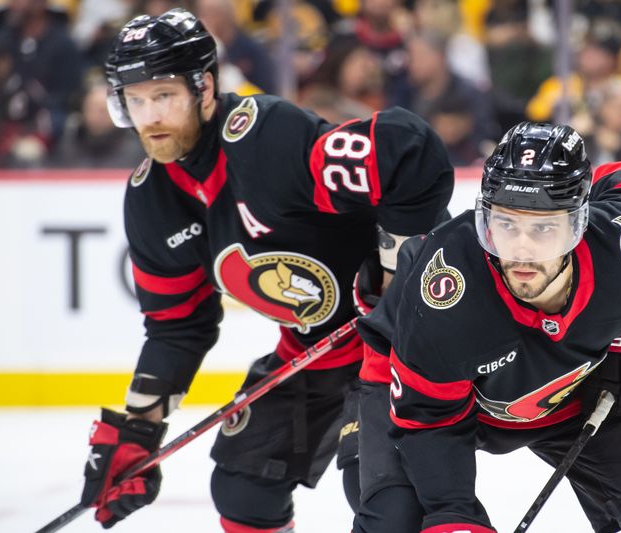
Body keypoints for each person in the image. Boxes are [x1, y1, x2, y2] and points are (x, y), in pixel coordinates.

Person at [78, 8, 453, 532]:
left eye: (162, 96)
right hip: (312, 354)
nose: (149, 117)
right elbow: (178, 326)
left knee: (380, 491)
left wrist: (395, 279)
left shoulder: (264, 139)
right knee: (243, 485)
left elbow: (408, 150)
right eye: (134, 101)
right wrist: (139, 431)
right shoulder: (151, 199)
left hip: (392, 348)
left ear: (204, 88)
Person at [352, 122, 621, 532]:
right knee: (394, 522)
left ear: (579, 223)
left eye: (544, 228)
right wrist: (453, 514)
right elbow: (428, 420)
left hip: (566, 392)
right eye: (507, 225)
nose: (522, 250)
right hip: (420, 399)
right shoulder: (447, 293)